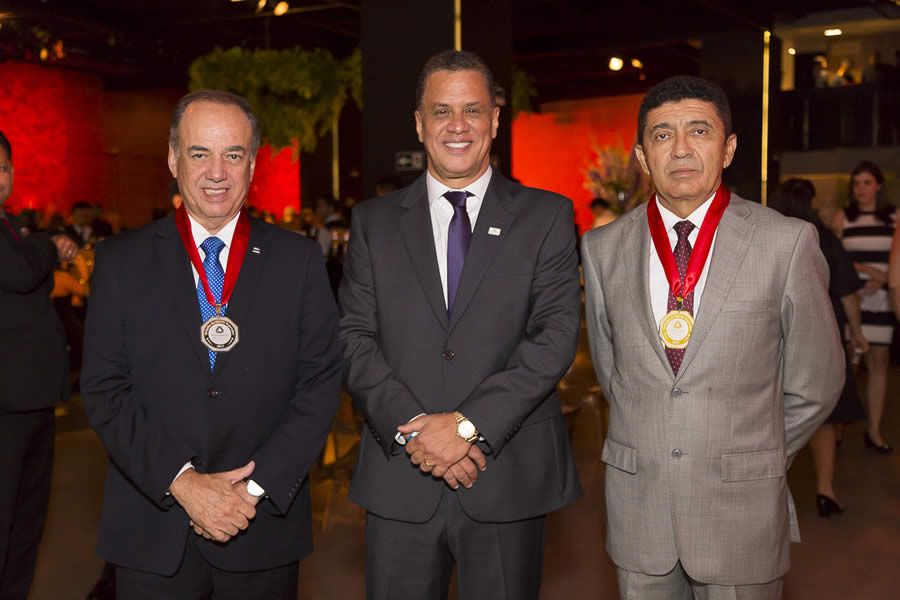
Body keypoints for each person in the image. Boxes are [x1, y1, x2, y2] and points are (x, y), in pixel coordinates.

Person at [581, 76, 844, 599]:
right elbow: (616, 376)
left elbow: (817, 381)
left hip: (740, 511)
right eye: (661, 135)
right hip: (640, 512)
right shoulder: (602, 248)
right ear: (640, 155)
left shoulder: (785, 243)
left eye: (698, 131)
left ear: (728, 149)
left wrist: (754, 453)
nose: (679, 148)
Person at [339, 49, 582, 600]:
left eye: (472, 110)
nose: (457, 126)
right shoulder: (374, 223)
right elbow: (354, 338)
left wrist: (468, 425)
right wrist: (418, 426)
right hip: (402, 476)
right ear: (419, 122)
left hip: (507, 478)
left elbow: (555, 334)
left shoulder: (546, 216)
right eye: (441, 111)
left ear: (495, 120)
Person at [81, 90, 342, 599]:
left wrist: (253, 488)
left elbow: (320, 383)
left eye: (234, 154)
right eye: (200, 153)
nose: (217, 172)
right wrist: (182, 482)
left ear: (252, 164)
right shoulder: (121, 262)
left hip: (261, 525)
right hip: (152, 532)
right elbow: (105, 389)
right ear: (174, 160)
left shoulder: (299, 261)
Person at [0, 130, 78, 599]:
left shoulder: (11, 225)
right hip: (5, 405)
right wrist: (51, 246)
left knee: (26, 523)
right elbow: (21, 272)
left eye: (4, 168)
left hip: (30, 398)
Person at [769, 178, 867, 517]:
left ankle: (770, 483)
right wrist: (856, 331)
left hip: (772, 336)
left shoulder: (764, 235)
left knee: (772, 409)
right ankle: (825, 489)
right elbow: (846, 291)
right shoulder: (820, 237)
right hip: (819, 332)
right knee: (823, 410)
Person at [832, 160, 895, 453]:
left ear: (878, 186)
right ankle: (838, 430)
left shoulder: (893, 218)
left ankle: (874, 430)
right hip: (852, 301)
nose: (861, 189)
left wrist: (880, 278)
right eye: (856, 183)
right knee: (848, 365)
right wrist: (863, 272)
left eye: (867, 183)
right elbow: (833, 260)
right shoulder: (843, 217)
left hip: (882, 300)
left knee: (879, 363)